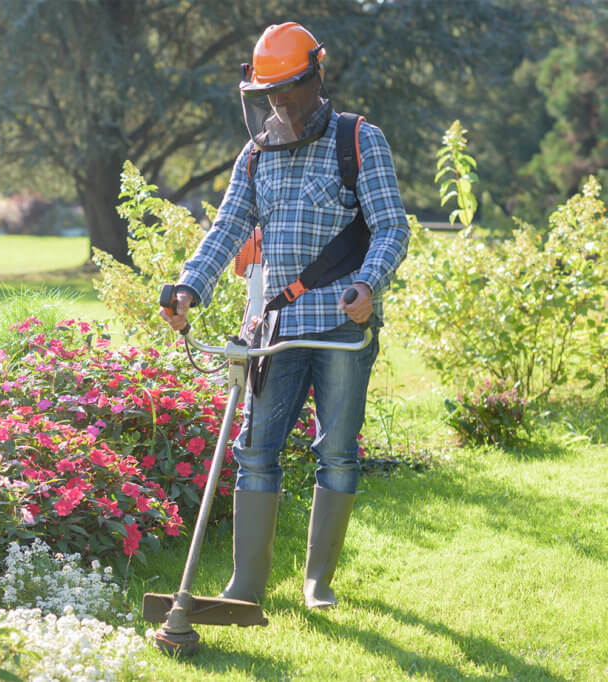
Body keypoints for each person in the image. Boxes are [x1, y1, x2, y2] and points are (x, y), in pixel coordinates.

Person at [160, 21, 410, 609]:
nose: (278, 104)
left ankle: (318, 581)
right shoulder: (256, 155)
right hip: (279, 328)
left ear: (315, 78)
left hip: (343, 324)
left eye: (288, 90)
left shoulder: (358, 140)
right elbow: (228, 228)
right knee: (255, 448)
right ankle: (245, 589)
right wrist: (190, 286)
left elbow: (391, 227)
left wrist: (369, 284)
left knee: (337, 451)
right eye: (267, 94)